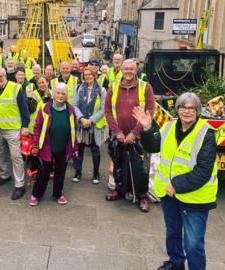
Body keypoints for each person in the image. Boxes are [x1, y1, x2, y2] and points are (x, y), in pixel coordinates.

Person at [134, 92, 217, 270]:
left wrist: (176, 185)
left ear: (198, 111)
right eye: (182, 107)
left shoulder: (206, 134)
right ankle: (176, 263)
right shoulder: (169, 127)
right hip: (169, 195)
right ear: (177, 109)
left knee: (193, 243)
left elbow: (203, 171)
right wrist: (147, 129)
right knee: (173, 233)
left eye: (191, 108)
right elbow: (152, 146)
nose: (186, 111)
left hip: (195, 198)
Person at [104, 59, 155, 212]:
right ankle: (120, 190)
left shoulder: (145, 87)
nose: (128, 71)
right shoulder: (113, 87)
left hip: (138, 136)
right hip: (119, 135)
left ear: (136, 69)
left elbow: (150, 112)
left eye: (131, 69)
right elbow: (107, 111)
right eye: (125, 68)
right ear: (121, 69)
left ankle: (142, 196)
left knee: (141, 168)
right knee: (118, 165)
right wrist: (117, 132)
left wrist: (135, 133)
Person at [0, 67, 30, 200]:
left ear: (5, 76)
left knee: (16, 157)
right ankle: (5, 175)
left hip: (13, 129)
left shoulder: (15, 88)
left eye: (0, 77)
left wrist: (25, 126)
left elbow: (24, 108)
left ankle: (20, 185)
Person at [29, 83, 78, 206]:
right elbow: (37, 127)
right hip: (46, 147)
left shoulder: (71, 110)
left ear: (66, 96)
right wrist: (35, 145)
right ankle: (36, 194)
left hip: (64, 147)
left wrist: (74, 147)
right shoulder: (45, 108)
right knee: (43, 173)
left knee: (60, 173)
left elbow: (74, 129)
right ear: (54, 94)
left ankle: (58, 194)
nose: (60, 96)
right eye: (58, 93)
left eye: (63, 93)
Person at [72, 67, 108, 184]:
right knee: (80, 149)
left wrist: (91, 120)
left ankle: (96, 173)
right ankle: (78, 172)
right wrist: (81, 118)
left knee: (95, 150)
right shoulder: (78, 88)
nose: (87, 76)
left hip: (94, 125)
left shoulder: (101, 90)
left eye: (90, 74)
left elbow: (103, 109)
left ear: (94, 75)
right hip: (82, 124)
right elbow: (75, 105)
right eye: (85, 74)